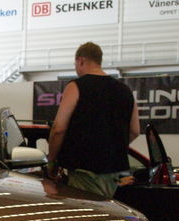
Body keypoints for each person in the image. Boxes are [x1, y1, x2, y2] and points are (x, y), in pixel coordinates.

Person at [47, 42, 140, 198]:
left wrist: (51, 162)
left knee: (87, 210)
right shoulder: (125, 90)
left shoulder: (76, 86)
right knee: (105, 208)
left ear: (80, 60)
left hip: (85, 171)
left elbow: (58, 129)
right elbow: (135, 130)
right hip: (113, 172)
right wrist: (110, 148)